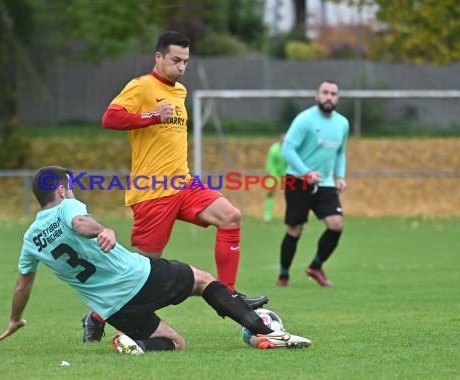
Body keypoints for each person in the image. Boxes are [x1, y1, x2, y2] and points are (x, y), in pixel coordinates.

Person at [0, 166, 311, 353]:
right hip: (139, 277)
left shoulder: (31, 238)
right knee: (203, 280)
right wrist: (102, 229)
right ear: (61, 191)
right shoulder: (68, 208)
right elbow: (79, 224)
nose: (74, 192)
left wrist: (14, 319)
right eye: (72, 188)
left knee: (175, 343)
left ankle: (134, 346)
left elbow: (23, 284)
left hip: (113, 309)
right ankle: (268, 333)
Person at [83, 30, 268, 342]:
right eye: (175, 60)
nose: (182, 66)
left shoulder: (180, 91)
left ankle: (230, 294)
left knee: (230, 216)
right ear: (159, 57)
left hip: (183, 183)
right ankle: (98, 314)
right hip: (153, 190)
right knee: (144, 268)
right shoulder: (141, 86)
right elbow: (109, 118)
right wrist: (152, 115)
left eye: (185, 61)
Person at [276, 80, 349, 288]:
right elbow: (287, 150)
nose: (329, 97)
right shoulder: (305, 120)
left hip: (325, 183)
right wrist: (306, 173)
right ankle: (284, 275)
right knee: (295, 229)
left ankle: (316, 266)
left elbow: (340, 152)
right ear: (317, 96)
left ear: (337, 98)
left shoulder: (342, 123)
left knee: (336, 225)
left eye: (333, 94)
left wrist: (340, 176)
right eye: (325, 92)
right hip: (298, 180)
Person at [263, 133, 287, 223]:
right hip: (275, 175)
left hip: (287, 174)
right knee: (270, 193)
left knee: (292, 195)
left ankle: (289, 215)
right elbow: (270, 163)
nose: (284, 141)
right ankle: (267, 215)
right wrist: (273, 175)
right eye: (282, 139)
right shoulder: (274, 149)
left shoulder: (289, 149)